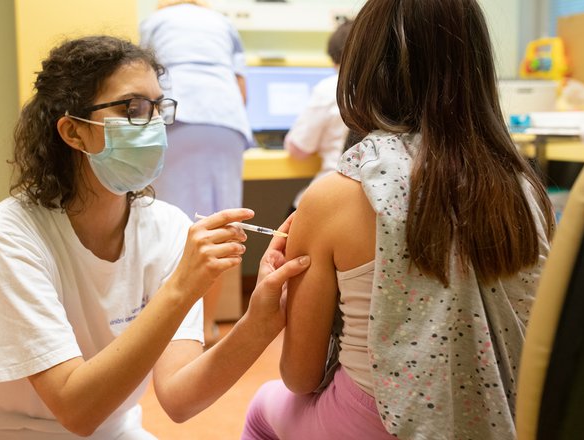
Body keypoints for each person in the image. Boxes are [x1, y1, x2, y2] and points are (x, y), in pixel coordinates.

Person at [0, 35, 309, 440]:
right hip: (10, 434)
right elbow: (75, 409)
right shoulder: (10, 234)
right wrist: (180, 288)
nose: (154, 124)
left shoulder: (168, 228)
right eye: (133, 108)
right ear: (73, 132)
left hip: (114, 430)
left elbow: (180, 397)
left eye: (158, 107)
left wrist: (260, 321)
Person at [242, 1, 554, 439]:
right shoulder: (526, 190)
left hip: (385, 420)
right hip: (508, 417)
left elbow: (300, 376)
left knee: (262, 407)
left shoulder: (332, 198)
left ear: (361, 68)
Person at [139, 0, 253, 345]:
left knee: (169, 226)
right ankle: (206, 328)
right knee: (219, 228)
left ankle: (167, 330)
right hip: (226, 121)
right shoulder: (221, 22)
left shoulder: (156, 21)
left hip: (176, 116)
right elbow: (241, 87)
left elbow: (142, 78)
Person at [283, 20, 352, 212]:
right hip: (373, 200)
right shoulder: (390, 88)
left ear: (334, 58)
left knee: (296, 210)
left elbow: (299, 149)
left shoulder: (331, 87)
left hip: (334, 193)